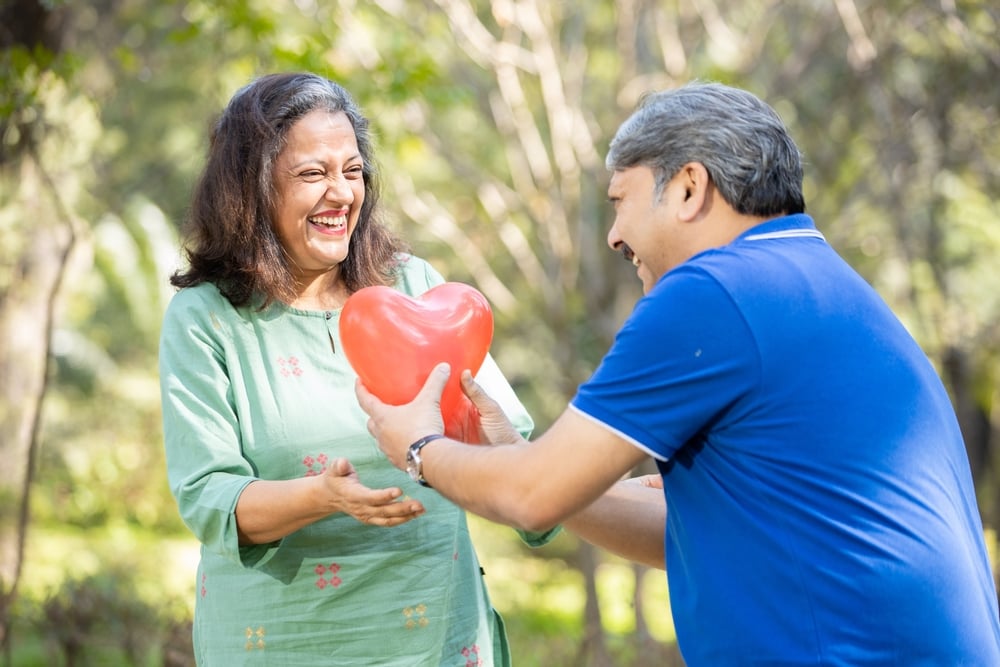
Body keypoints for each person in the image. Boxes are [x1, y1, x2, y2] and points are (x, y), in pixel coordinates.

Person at [357, 82, 1000, 665]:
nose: (613, 236)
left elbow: (532, 495)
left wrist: (420, 447)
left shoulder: (714, 293)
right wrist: (517, 456)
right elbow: (691, 537)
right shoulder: (814, 280)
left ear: (690, 187)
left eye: (621, 201)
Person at [158, 72, 557, 666]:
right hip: (279, 644)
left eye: (352, 171)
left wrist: (502, 451)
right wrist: (323, 496)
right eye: (313, 173)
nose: (341, 193)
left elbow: (517, 459)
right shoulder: (205, 318)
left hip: (437, 641)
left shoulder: (415, 288)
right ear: (250, 188)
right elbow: (209, 497)